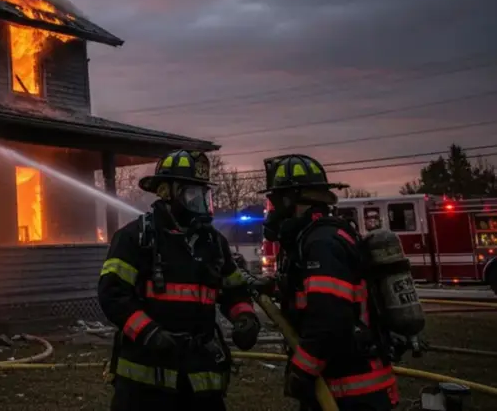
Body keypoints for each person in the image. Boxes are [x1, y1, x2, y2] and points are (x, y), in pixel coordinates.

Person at [98, 149, 261, 411]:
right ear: (166, 192)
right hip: (145, 381)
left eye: (204, 195)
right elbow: (112, 294)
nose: (200, 202)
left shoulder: (214, 244)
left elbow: (235, 291)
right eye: (192, 194)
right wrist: (150, 333)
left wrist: (245, 318)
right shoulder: (135, 238)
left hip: (201, 381)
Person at [260, 154, 400, 410]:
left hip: (351, 391)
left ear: (292, 200)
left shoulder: (321, 244)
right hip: (345, 387)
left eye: (275, 202)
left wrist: (302, 370)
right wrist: (274, 287)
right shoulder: (322, 236)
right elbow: (315, 295)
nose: (273, 212)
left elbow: (329, 318)